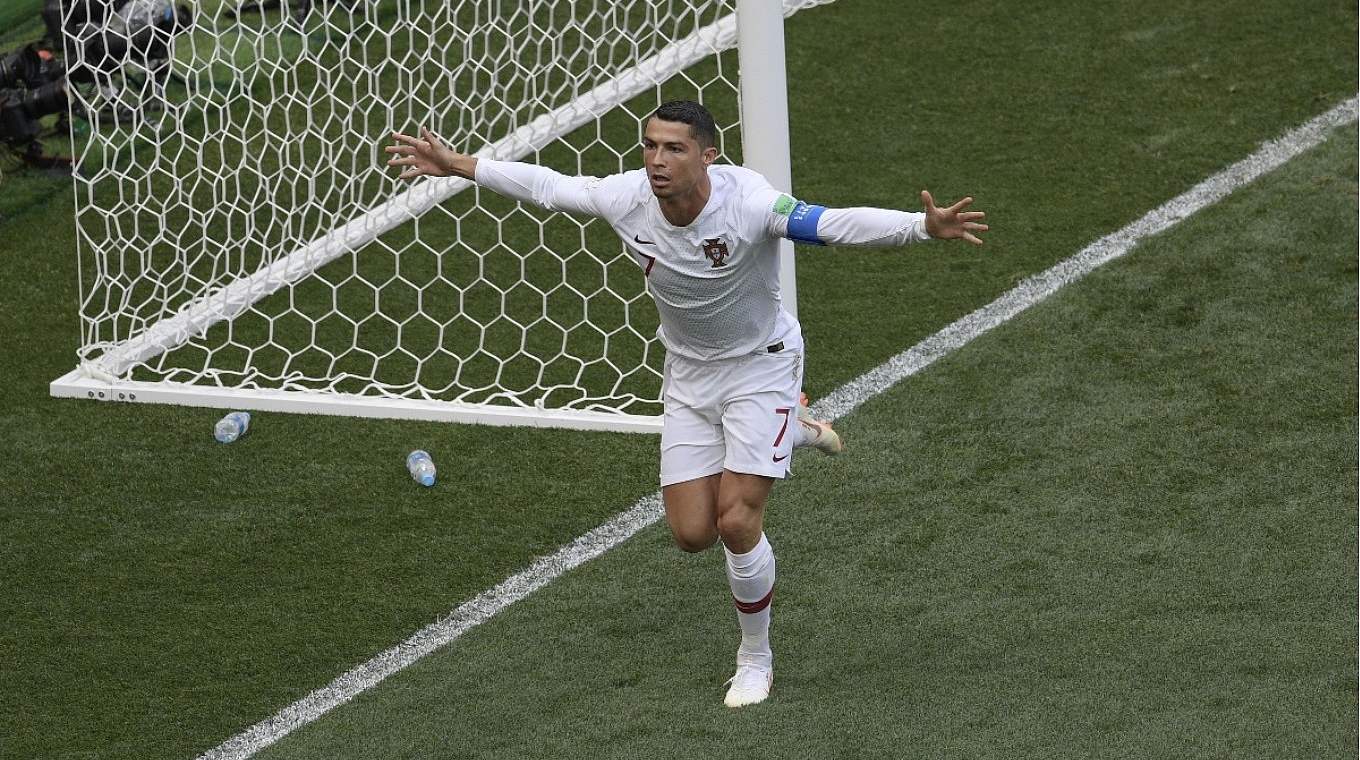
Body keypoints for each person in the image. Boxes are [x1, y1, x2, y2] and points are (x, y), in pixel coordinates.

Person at [384, 100, 987, 708]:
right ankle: (797, 430)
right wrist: (459, 164)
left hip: (762, 366)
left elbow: (830, 224)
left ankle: (755, 657)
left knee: (735, 522)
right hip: (689, 378)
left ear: (708, 155)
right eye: (649, 146)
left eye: (673, 148)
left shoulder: (749, 202)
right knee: (693, 533)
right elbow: (549, 186)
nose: (656, 161)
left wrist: (920, 226)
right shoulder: (628, 198)